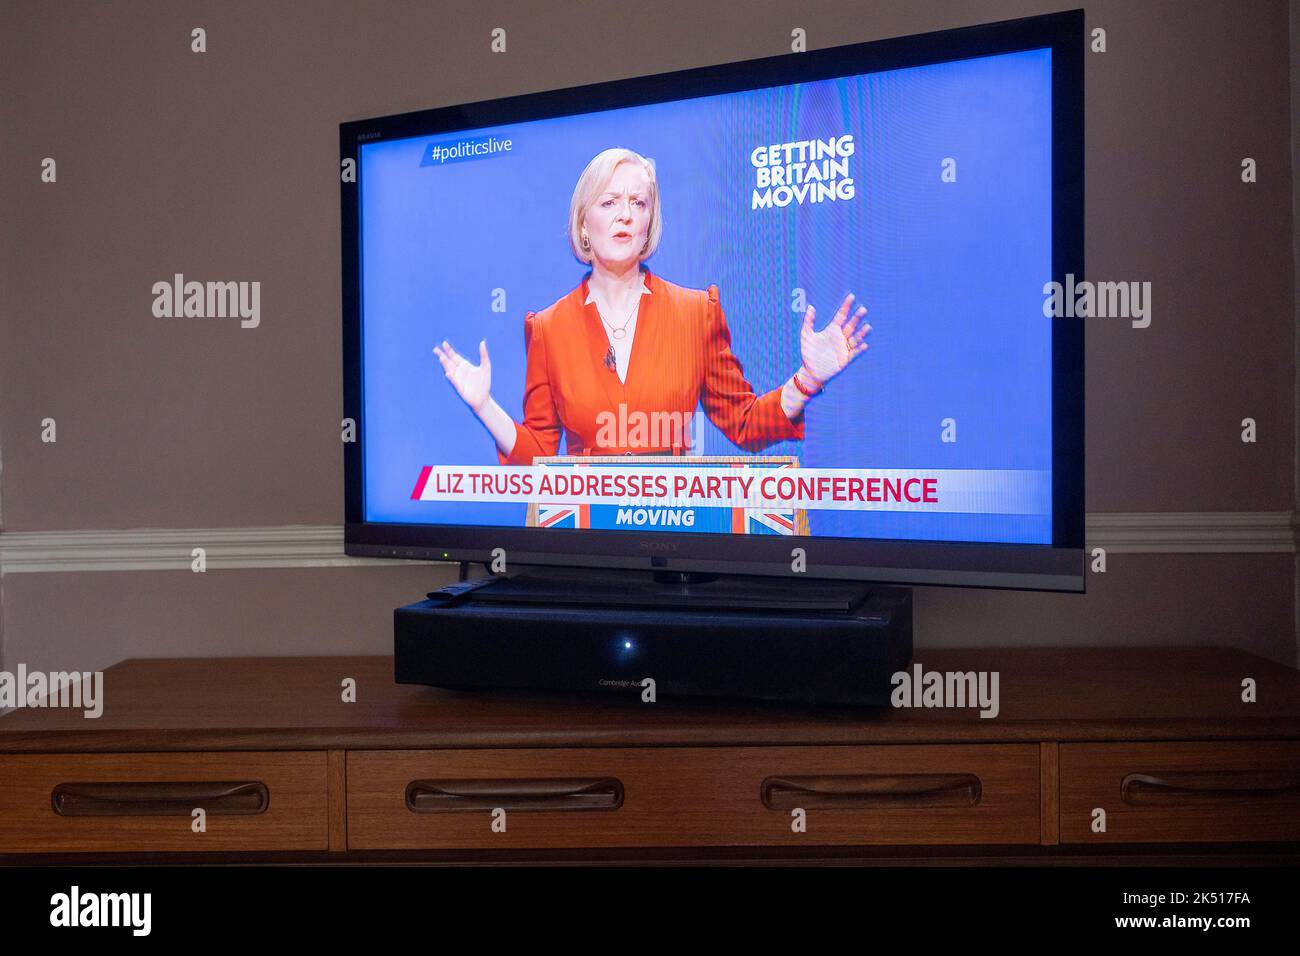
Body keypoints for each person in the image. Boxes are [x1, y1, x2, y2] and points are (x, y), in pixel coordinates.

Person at [434, 147, 870, 464]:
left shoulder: (695, 313)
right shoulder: (548, 328)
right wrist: (483, 405)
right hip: (588, 549)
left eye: (638, 203)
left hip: (677, 542)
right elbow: (539, 460)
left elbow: (745, 422)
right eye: (609, 203)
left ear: (649, 223)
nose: (625, 214)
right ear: (585, 225)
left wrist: (808, 380)